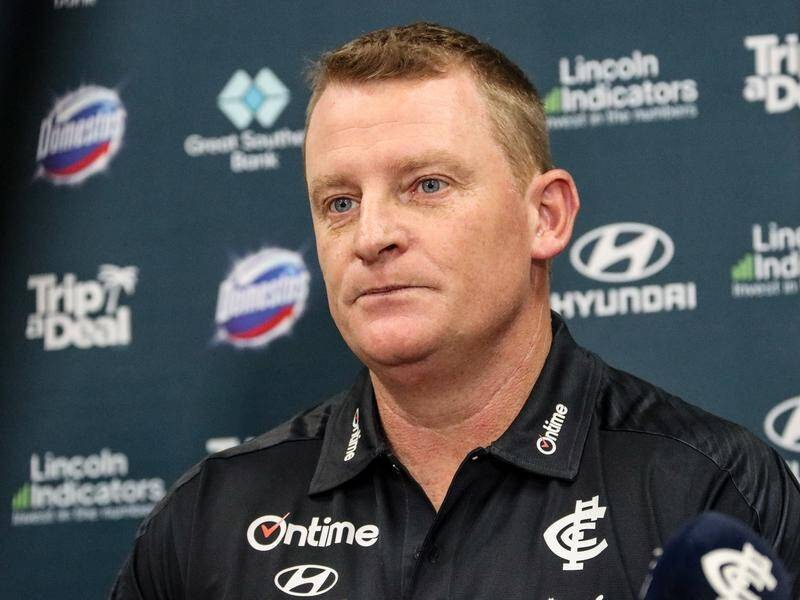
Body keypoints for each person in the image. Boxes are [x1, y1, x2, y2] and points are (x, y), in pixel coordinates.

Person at [110, 22, 800, 599]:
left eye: (427, 185)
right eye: (340, 202)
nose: (372, 235)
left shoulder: (707, 490)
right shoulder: (208, 521)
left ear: (545, 216)